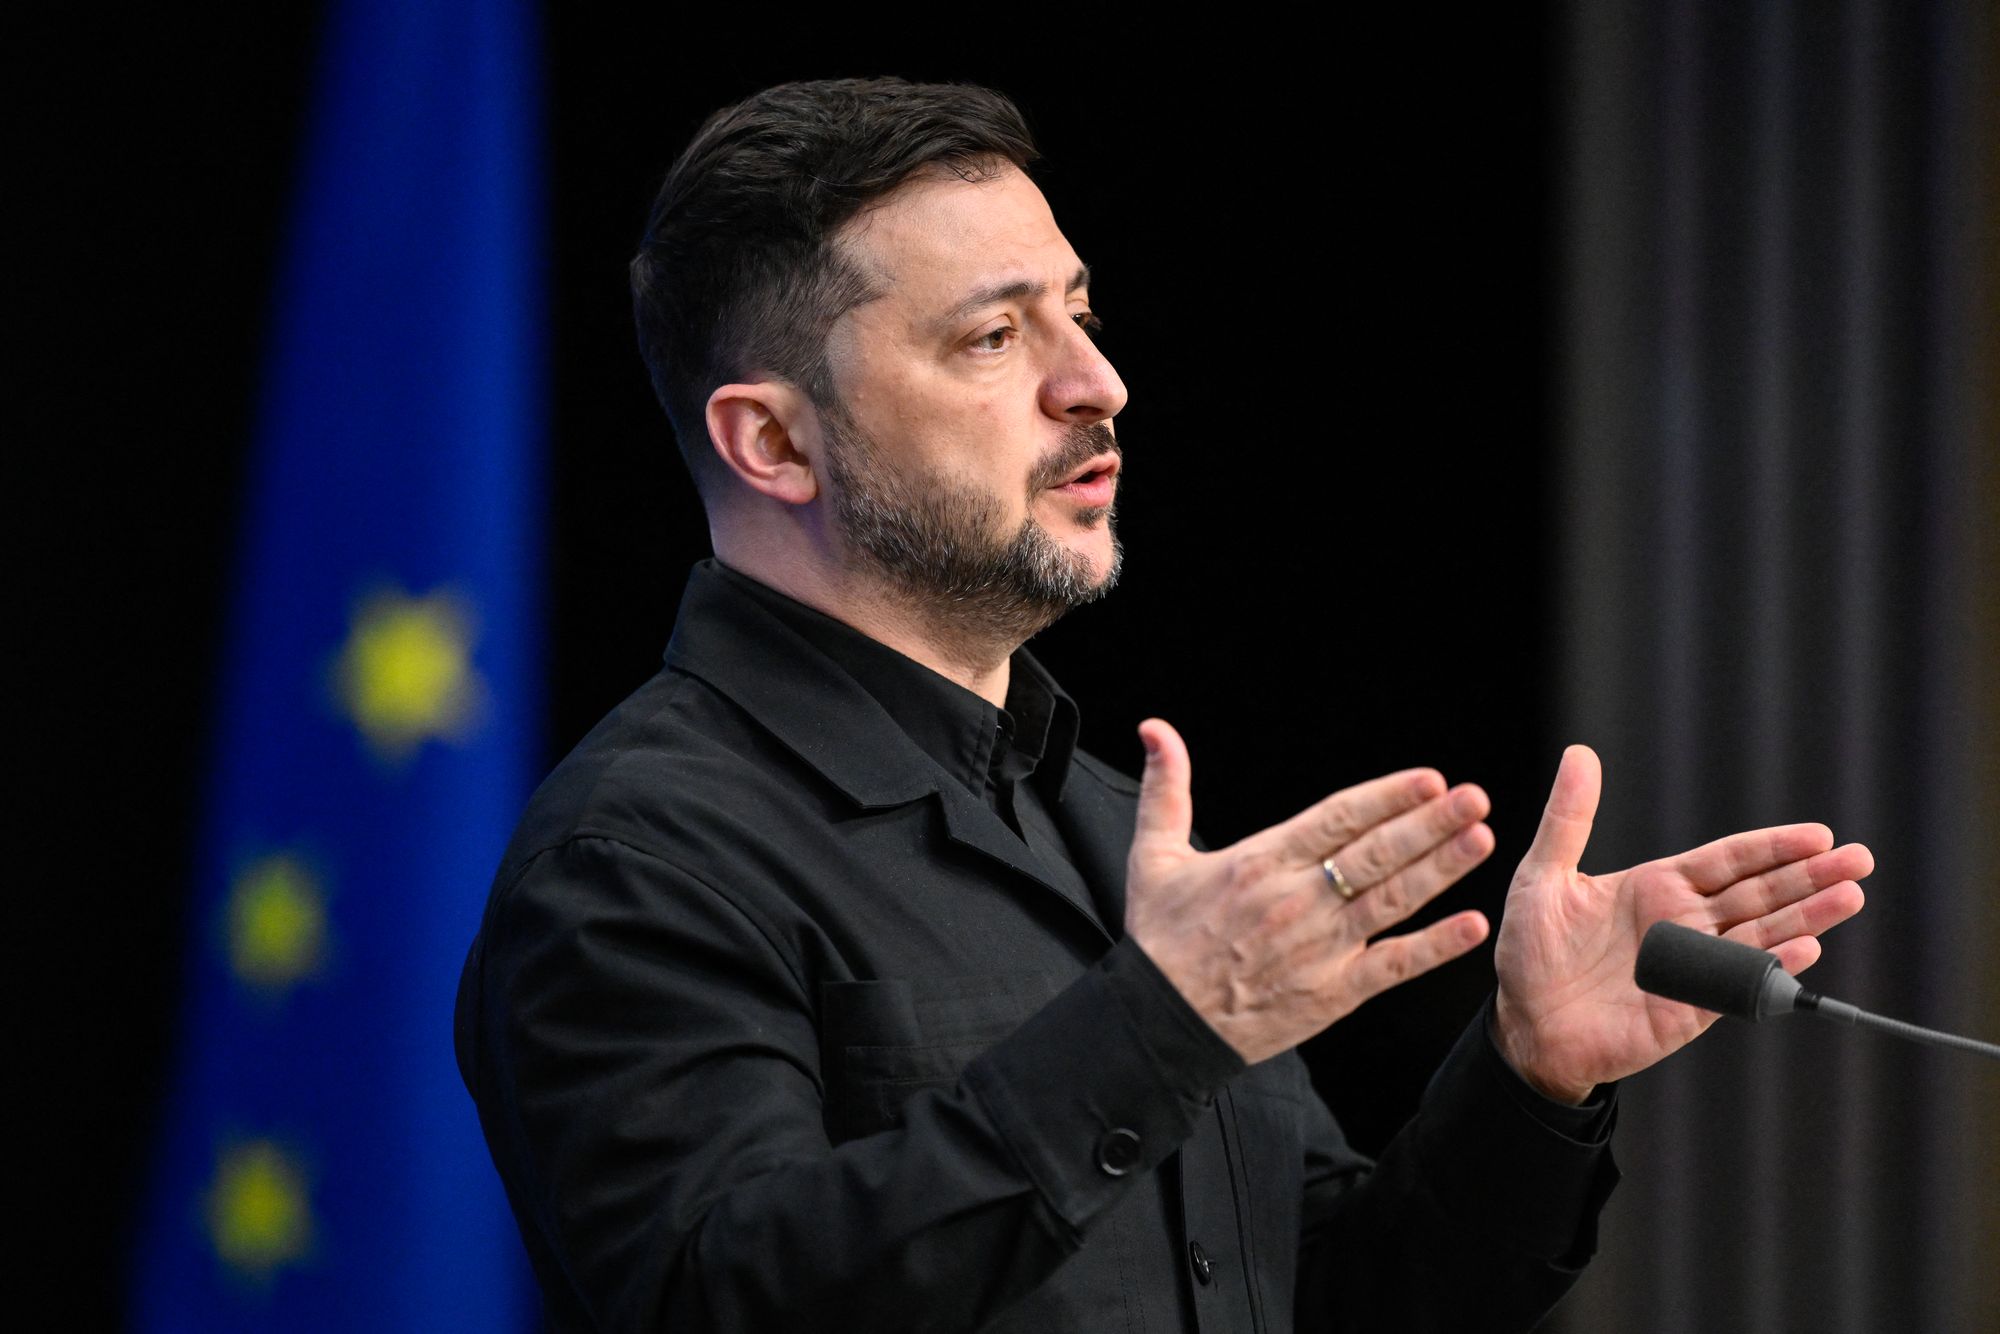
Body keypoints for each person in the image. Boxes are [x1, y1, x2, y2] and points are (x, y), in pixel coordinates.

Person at [454, 76, 1872, 1333]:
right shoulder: (634, 858)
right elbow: (732, 1300)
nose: (1101, 384)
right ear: (772, 439)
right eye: (994, 339)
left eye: (1079, 310)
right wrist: (1159, 1025)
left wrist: (1528, 1078)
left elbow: (1332, 1295)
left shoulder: (1106, 818)